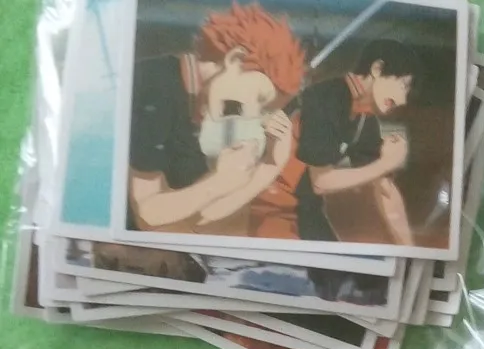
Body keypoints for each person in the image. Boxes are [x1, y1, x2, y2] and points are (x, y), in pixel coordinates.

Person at [127, 2, 306, 236]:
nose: (253, 115)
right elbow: (147, 216)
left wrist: (270, 165)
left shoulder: (210, 107)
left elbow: (201, 217)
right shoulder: (156, 85)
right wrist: (218, 182)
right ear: (236, 59)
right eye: (259, 98)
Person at [250, 39, 422, 248]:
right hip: (272, 208)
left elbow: (386, 189)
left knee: (342, 268)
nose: (403, 100)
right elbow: (321, 182)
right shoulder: (326, 97)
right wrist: (385, 164)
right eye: (403, 86)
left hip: (307, 210)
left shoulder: (364, 118)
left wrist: (409, 247)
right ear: (377, 69)